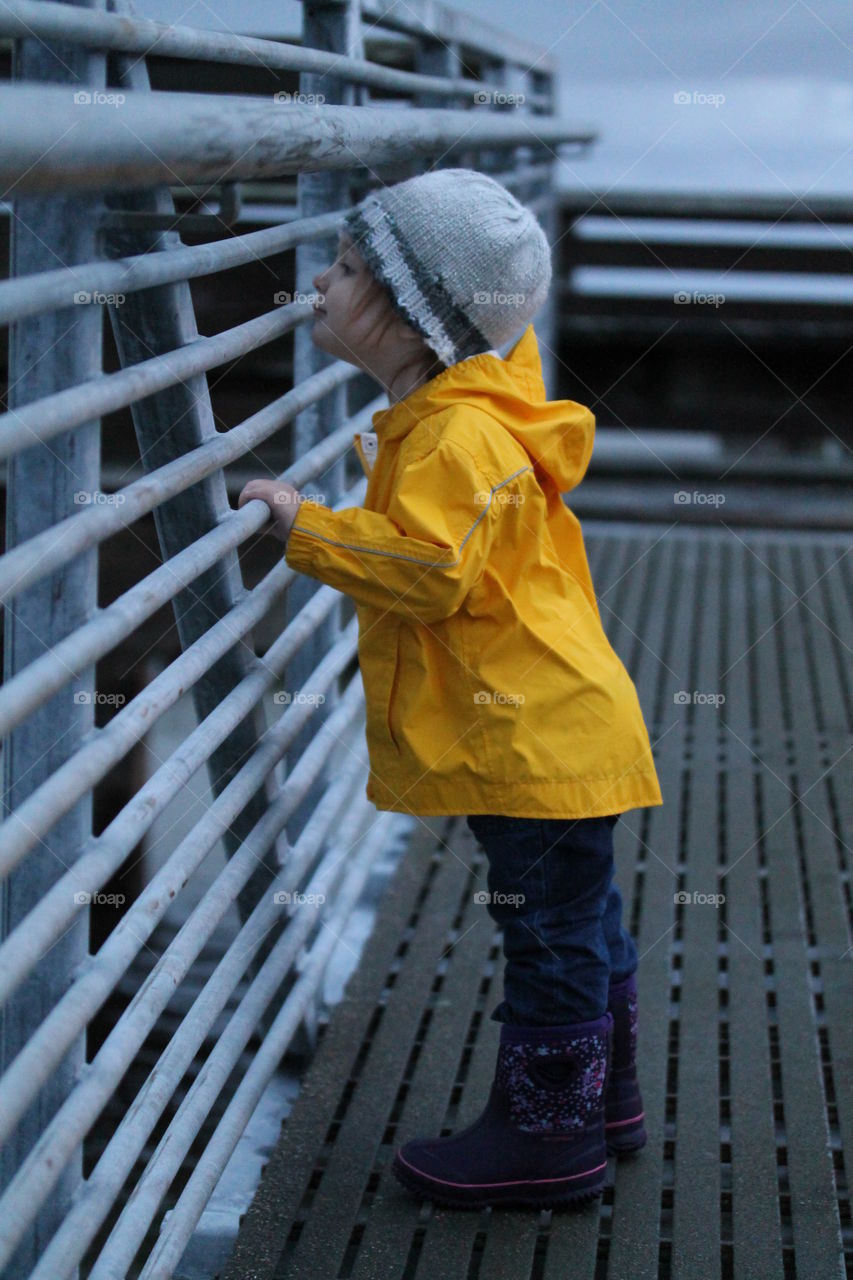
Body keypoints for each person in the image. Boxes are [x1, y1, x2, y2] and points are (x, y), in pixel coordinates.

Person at [237, 168, 663, 1212]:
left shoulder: (454, 433)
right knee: (581, 919)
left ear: (416, 314)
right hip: (554, 723)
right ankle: (603, 1102)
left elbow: (432, 570)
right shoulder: (462, 401)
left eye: (345, 270)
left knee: (551, 932)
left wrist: (306, 526)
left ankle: (548, 1138)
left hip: (533, 741)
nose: (322, 283)